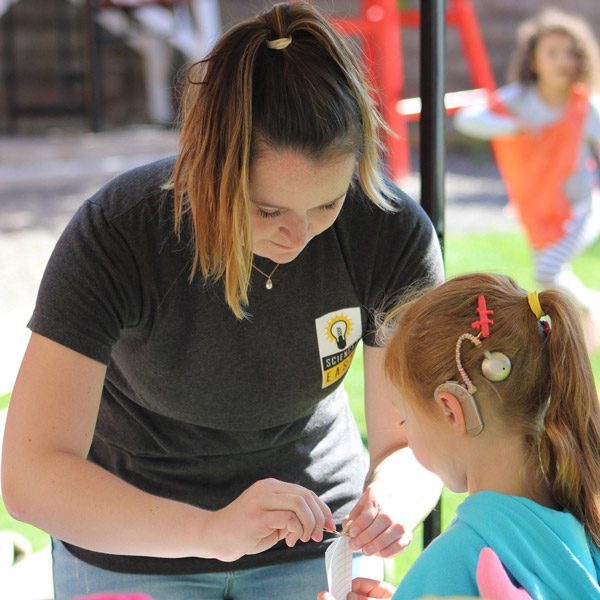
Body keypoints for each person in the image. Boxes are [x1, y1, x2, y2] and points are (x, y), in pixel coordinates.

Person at [0, 3, 444, 599]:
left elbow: (413, 442)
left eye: (327, 203)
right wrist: (210, 531)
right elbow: (33, 475)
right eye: (267, 210)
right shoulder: (120, 232)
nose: (301, 234)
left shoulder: (388, 229)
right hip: (130, 536)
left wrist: (397, 497)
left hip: (319, 534)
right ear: (203, 169)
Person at [319, 273, 600, 599]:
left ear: (452, 409)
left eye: (404, 418)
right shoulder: (584, 525)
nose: (404, 433)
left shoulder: (455, 561)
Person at [454, 9, 600, 349]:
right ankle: (583, 323)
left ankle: (590, 306)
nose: (563, 60)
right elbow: (467, 119)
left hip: (578, 207)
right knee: (550, 272)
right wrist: (513, 127)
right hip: (537, 209)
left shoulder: (583, 107)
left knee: (548, 271)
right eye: (552, 53)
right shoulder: (519, 100)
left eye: (571, 53)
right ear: (533, 61)